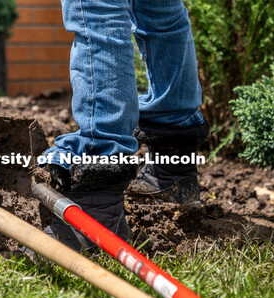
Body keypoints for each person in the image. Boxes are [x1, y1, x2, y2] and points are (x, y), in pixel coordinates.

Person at [41, 0, 209, 253]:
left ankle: (96, 210)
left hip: (95, 211)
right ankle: (172, 174)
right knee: (158, 9)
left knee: (96, 8)